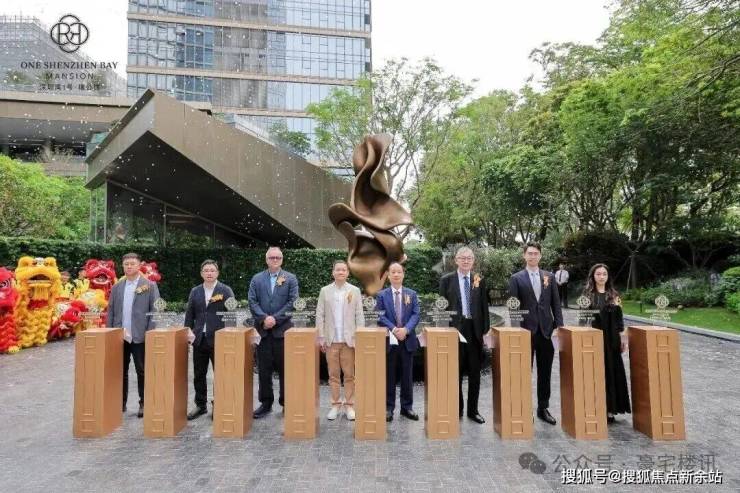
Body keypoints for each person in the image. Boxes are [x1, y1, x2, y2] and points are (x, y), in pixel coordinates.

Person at [508, 243, 564, 425]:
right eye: (530, 253)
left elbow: (556, 304)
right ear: (524, 256)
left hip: (547, 331)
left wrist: (559, 326)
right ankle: (524, 409)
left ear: (540, 256)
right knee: (523, 372)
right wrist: (516, 330)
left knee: (545, 372)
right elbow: (513, 306)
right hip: (525, 331)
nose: (533, 256)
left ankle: (543, 408)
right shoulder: (516, 278)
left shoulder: (549, 277)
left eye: (536, 253)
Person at [439, 246, 490, 424]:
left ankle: (473, 411)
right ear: (456, 260)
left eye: (469, 258)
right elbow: (442, 308)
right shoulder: (446, 280)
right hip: (455, 331)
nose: (466, 261)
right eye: (463, 258)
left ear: (473, 261)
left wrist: (485, 330)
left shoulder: (478, 279)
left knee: (475, 373)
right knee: (456, 373)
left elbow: (484, 306)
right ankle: (458, 409)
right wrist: (444, 331)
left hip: (475, 331)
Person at [106, 252, 160, 418]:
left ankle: (144, 403)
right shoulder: (117, 287)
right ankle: (120, 403)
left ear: (139, 265)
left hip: (140, 336)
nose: (129, 266)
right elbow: (111, 311)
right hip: (119, 336)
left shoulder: (149, 286)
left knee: (142, 371)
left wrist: (149, 333)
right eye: (126, 264)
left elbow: (155, 311)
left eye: (132, 264)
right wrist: (110, 332)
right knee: (119, 371)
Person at [248, 246, 299, 419]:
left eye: (278, 257)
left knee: (286, 370)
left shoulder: (290, 278)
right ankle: (266, 403)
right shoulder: (256, 279)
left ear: (282, 260)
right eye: (272, 257)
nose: (275, 260)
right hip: (263, 332)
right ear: (266, 259)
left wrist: (275, 319)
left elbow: (293, 302)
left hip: (283, 332)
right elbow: (252, 301)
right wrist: (264, 318)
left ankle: (286, 403)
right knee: (264, 370)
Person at [184, 259, 235, 420]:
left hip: (219, 339)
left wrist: (230, 335)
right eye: (206, 270)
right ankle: (200, 405)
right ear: (201, 273)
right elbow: (189, 314)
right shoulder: (195, 291)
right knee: (199, 374)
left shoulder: (225, 290)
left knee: (220, 374)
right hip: (199, 339)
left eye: (212, 270)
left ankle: (218, 404)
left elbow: (231, 315)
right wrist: (188, 332)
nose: (209, 273)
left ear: (217, 273)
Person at [315, 260, 365, 421]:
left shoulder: (354, 290)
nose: (341, 272)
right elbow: (320, 314)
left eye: (344, 270)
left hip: (349, 341)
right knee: (333, 375)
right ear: (333, 272)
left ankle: (349, 405)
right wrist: (321, 337)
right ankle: (335, 405)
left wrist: (359, 336)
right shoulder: (325, 291)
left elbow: (359, 314)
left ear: (348, 273)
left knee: (350, 375)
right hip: (331, 340)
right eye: (338, 269)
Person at [583, 263, 631, 423]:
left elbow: (620, 321)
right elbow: (583, 320)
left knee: (612, 373)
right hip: (594, 340)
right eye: (598, 274)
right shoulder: (587, 296)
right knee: (596, 373)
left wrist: (623, 339)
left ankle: (611, 409)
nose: (601, 277)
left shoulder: (615, 295)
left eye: (604, 274)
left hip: (612, 341)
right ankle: (596, 408)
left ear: (608, 276)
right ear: (593, 276)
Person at [376, 262, 420, 422]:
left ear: (403, 275)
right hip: (390, 341)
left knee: (407, 376)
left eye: (399, 272)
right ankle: (388, 408)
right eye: (393, 272)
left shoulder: (411, 294)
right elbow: (380, 315)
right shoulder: (381, 295)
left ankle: (407, 407)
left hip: (407, 340)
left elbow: (416, 314)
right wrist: (394, 329)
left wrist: (406, 330)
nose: (396, 274)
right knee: (390, 375)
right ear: (388, 275)